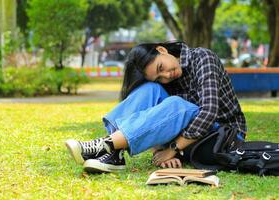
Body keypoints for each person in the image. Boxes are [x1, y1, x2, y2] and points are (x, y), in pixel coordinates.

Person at [65, 41, 247, 173]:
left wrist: (172, 149)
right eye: (159, 76)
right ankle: (115, 153)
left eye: (161, 67)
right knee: (150, 89)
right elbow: (155, 115)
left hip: (222, 138)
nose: (166, 76)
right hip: (187, 139)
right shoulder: (166, 79)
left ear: (162, 50)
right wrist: (160, 151)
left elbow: (209, 111)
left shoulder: (202, 57)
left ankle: (105, 145)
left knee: (178, 104)